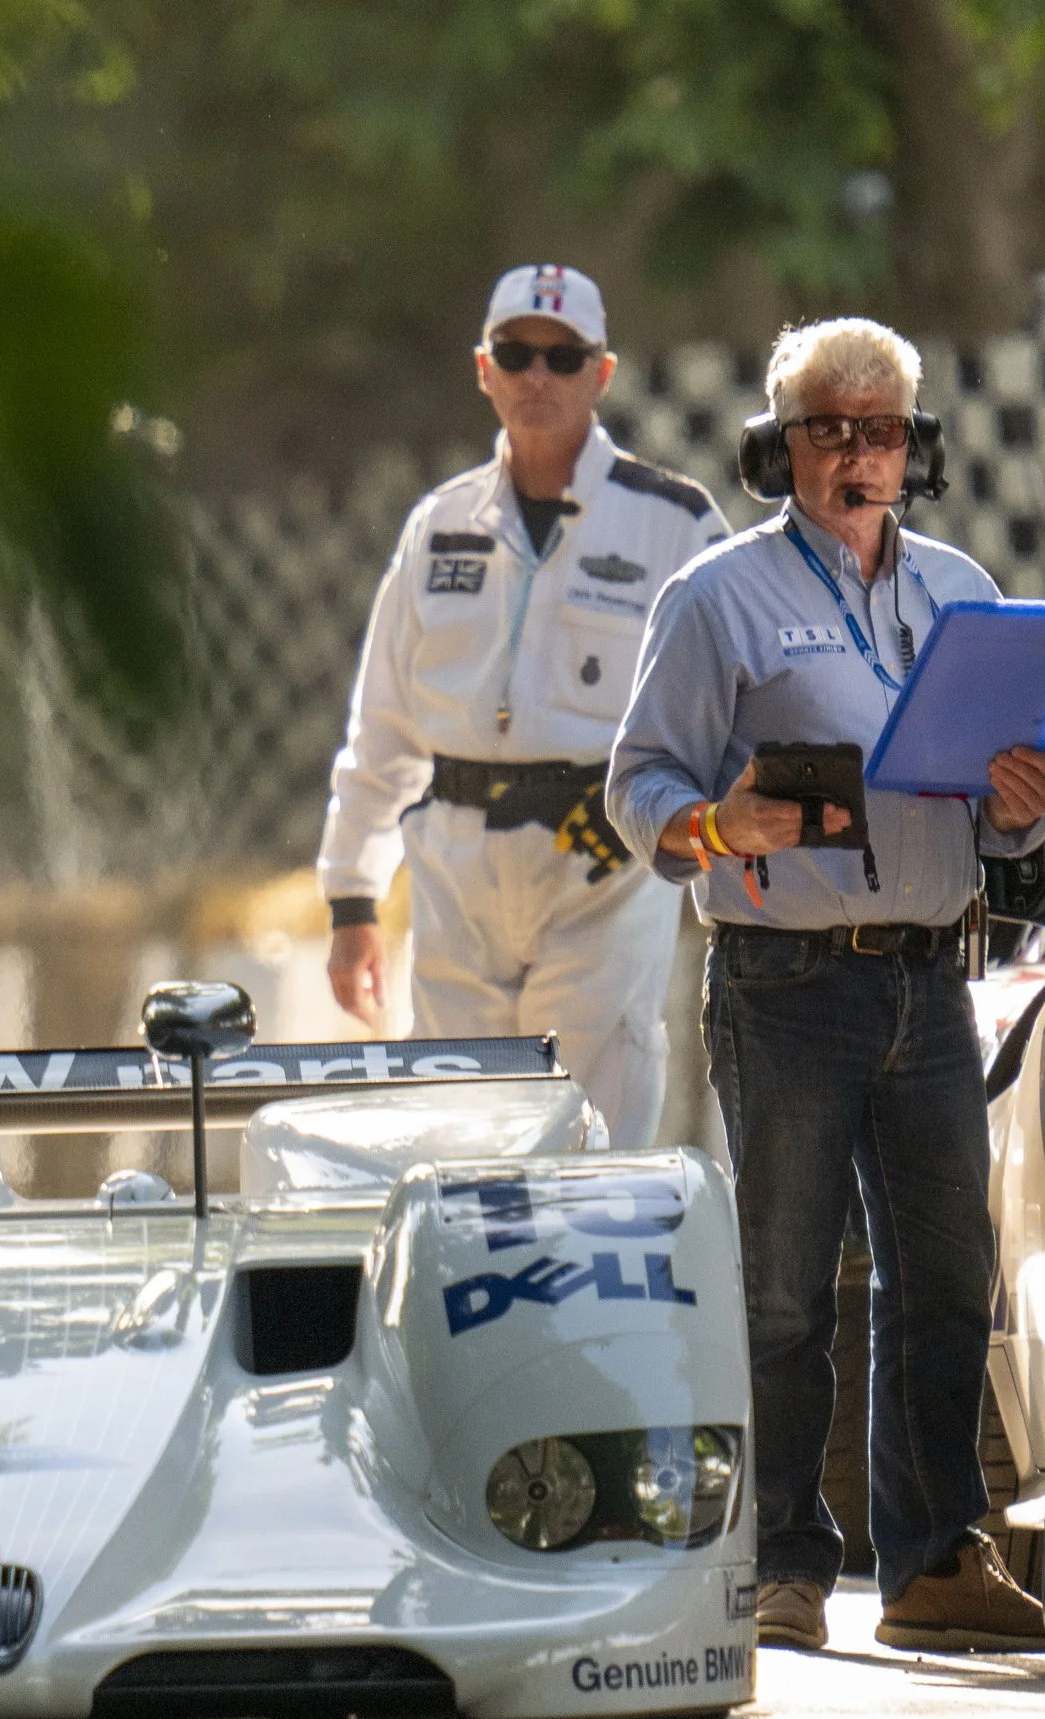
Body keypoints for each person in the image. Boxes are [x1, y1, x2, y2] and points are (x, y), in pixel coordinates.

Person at [606, 316, 1045, 1654]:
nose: (855, 452)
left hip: (930, 977)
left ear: (913, 447)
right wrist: (717, 829)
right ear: (779, 445)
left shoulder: (966, 595)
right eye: (828, 427)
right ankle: (786, 1561)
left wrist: (1024, 809)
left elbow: (999, 823)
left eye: (879, 429)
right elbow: (638, 787)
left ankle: (929, 1561)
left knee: (944, 1277)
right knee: (785, 1289)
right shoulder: (716, 598)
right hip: (785, 980)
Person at [319, 263, 728, 1147]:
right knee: (456, 1131)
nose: (538, 375)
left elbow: (729, 702)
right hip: (456, 868)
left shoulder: (674, 522)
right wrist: (353, 897)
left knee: (591, 1130)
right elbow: (383, 724)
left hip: (600, 864)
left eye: (562, 355)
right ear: (484, 369)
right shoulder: (440, 524)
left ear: (602, 373)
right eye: (517, 353)